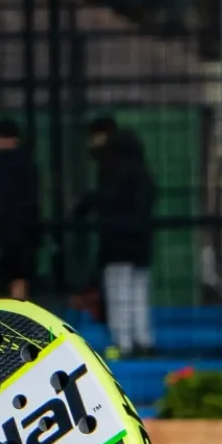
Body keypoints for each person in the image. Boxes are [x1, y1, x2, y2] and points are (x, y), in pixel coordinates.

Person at [78, 116, 157, 358]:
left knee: (118, 291)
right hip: (141, 236)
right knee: (138, 290)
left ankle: (123, 342)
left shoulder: (109, 165)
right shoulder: (139, 164)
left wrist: (87, 207)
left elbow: (106, 198)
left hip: (116, 238)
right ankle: (143, 339)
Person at [0, 118, 41, 301]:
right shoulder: (28, 162)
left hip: (8, 230)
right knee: (20, 274)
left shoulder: (0, 163)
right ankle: (21, 307)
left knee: (9, 275)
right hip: (27, 229)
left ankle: (15, 311)